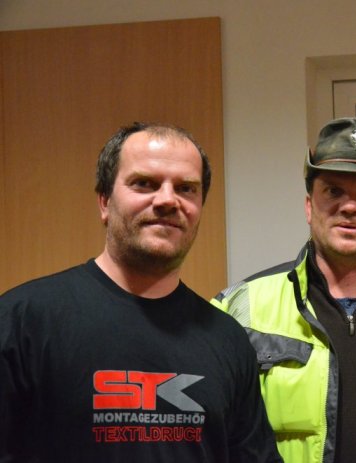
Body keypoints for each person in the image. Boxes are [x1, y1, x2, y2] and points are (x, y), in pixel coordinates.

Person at [0, 122, 282, 462]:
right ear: (104, 202)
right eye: (144, 183)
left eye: (186, 188)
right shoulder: (22, 321)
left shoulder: (227, 340)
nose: (167, 200)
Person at [212, 117, 356, 463]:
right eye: (334, 191)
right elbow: (207, 425)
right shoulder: (239, 307)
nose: (349, 206)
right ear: (309, 206)